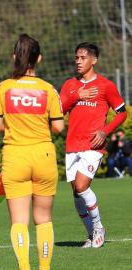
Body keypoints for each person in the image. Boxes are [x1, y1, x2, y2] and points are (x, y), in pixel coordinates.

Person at [0, 34, 64, 270]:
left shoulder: (3, 88)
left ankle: (24, 267)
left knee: (19, 222)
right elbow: (58, 127)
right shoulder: (49, 89)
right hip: (43, 156)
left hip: (15, 157)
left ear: (14, 57)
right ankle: (44, 268)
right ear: (39, 59)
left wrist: (14, 125)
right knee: (43, 220)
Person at [60, 42, 127, 249]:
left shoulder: (106, 86)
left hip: (93, 145)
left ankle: (98, 228)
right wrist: (76, 96)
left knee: (82, 186)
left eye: (83, 58)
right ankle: (90, 235)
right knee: (76, 192)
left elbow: (122, 112)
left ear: (94, 60)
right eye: (77, 58)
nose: (78, 61)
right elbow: (59, 109)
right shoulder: (70, 85)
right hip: (72, 145)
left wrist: (105, 131)